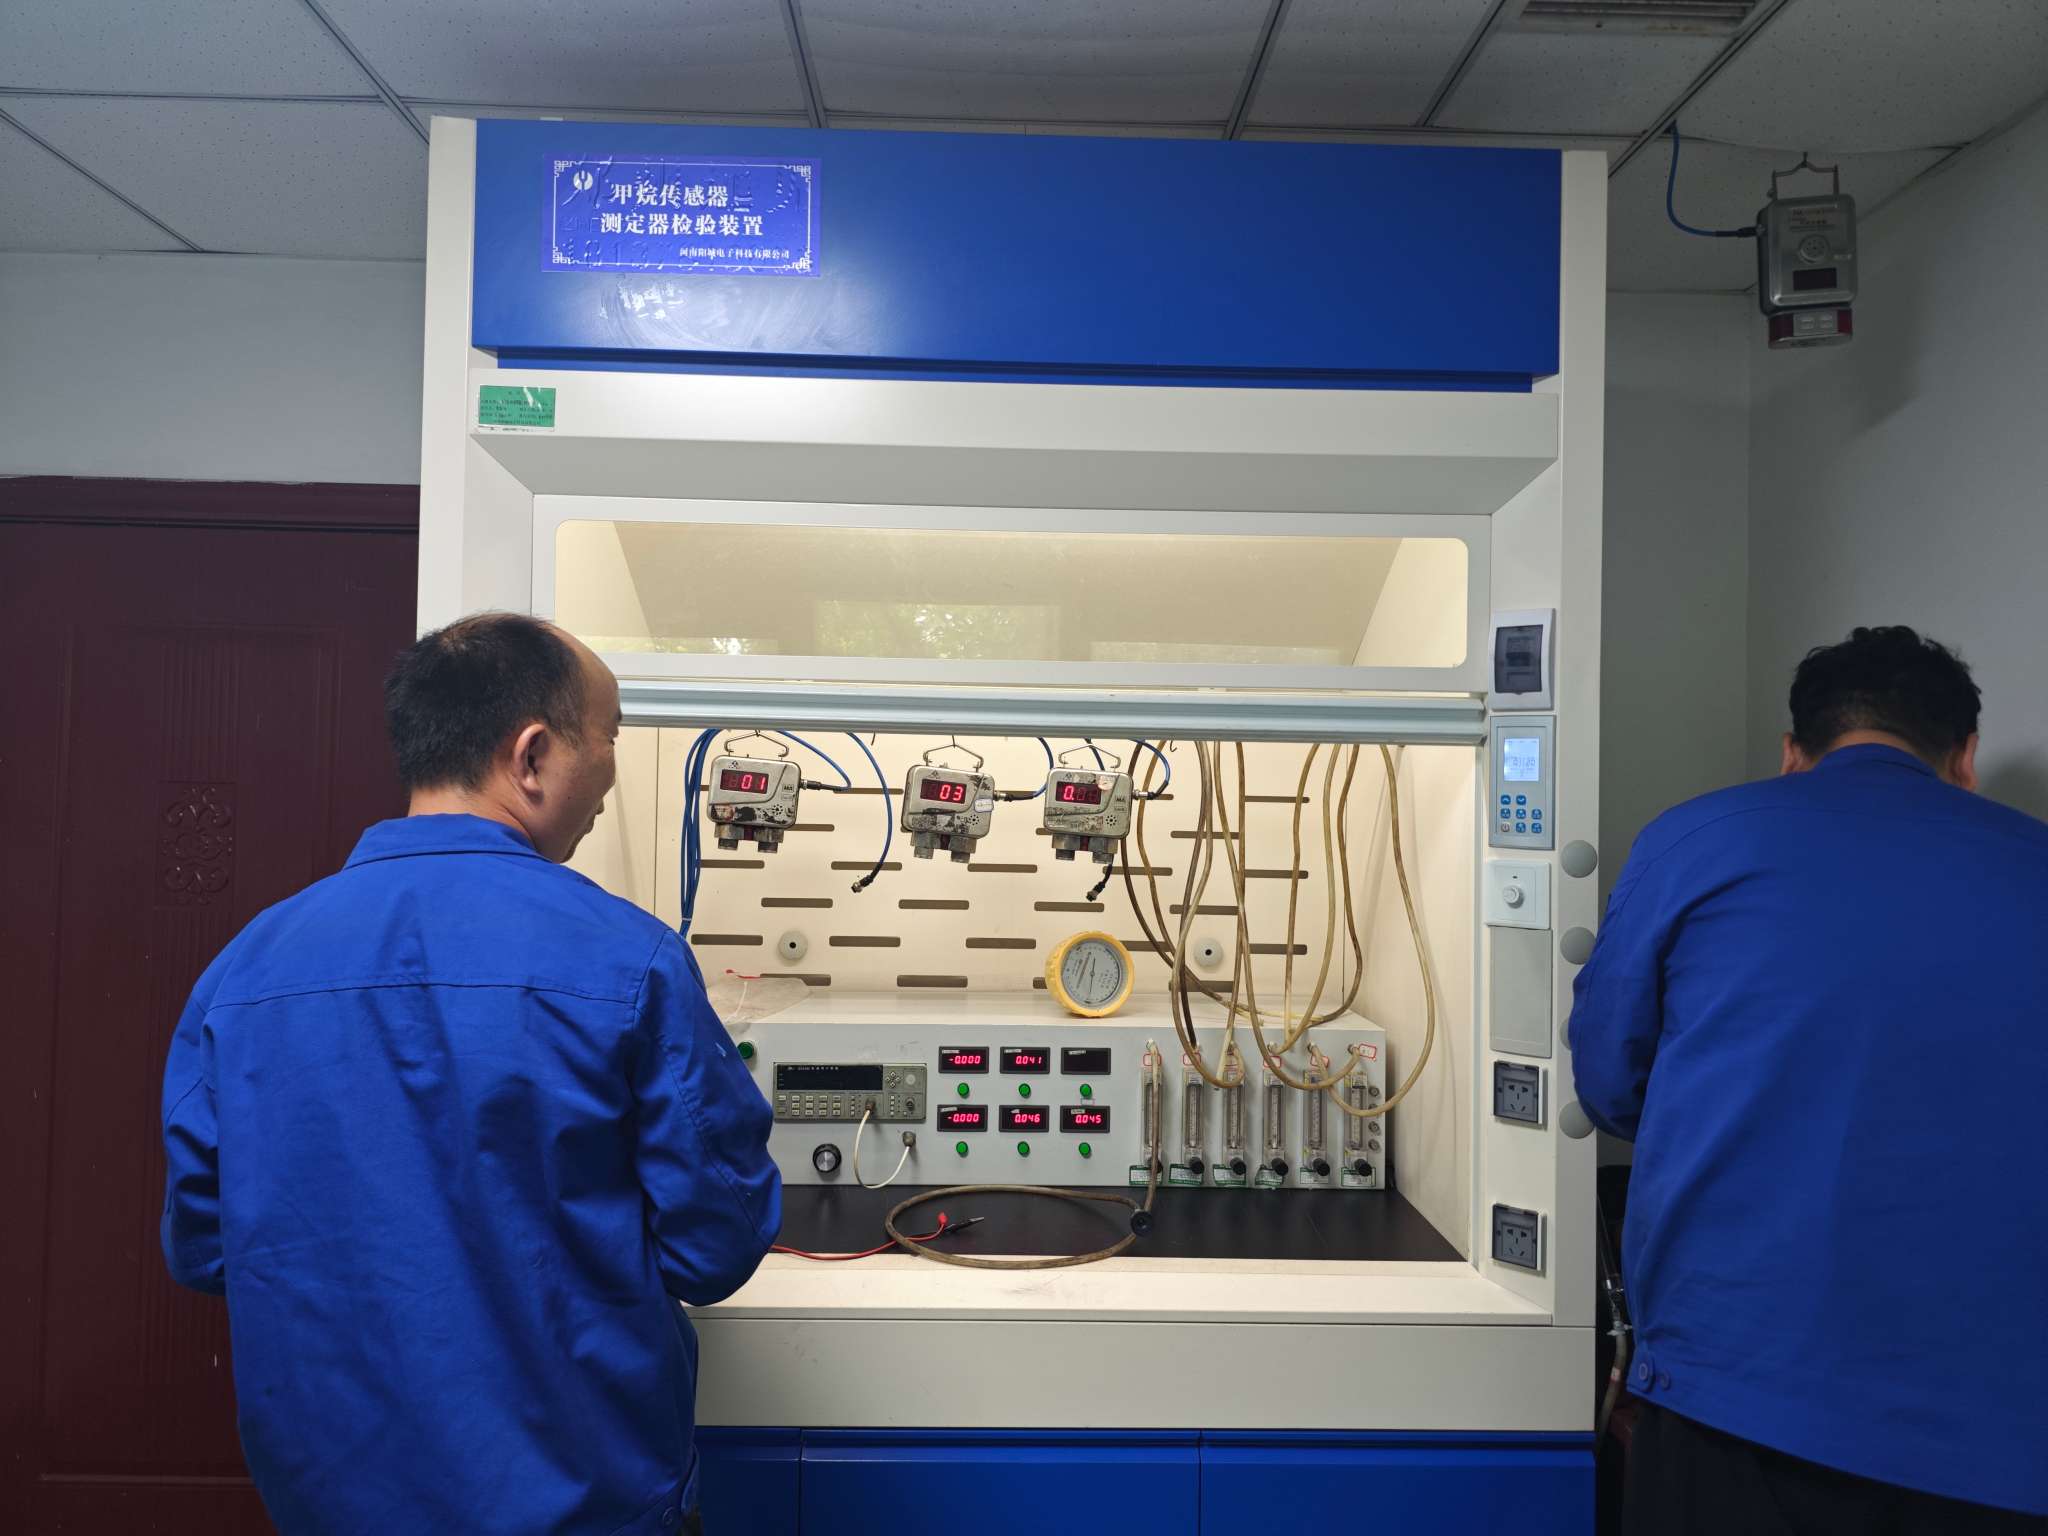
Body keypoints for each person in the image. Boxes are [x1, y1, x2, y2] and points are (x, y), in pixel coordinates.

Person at [160, 612, 780, 1536]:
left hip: (335, 1505)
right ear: (532, 755)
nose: (610, 775)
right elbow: (716, 1244)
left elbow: (207, 1247)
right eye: (607, 739)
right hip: (586, 1500)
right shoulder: (628, 961)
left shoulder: (246, 970)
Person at [1571, 625, 2047, 1532]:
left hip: (1737, 1395)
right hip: (2000, 1435)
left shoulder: (1696, 842)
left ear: (1794, 752)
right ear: (1966, 758)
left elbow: (1609, 1086)